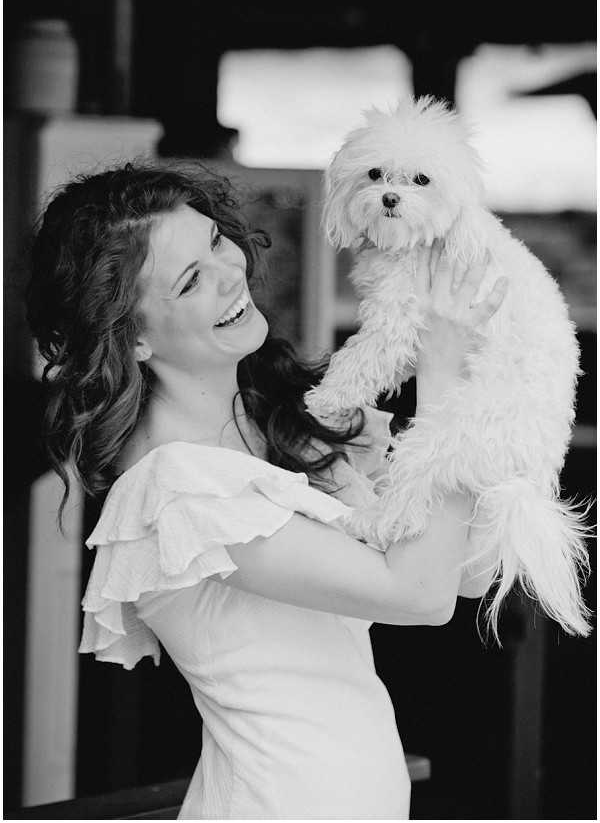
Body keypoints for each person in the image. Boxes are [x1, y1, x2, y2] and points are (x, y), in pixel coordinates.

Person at [26, 162, 507, 820]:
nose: (231, 276)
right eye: (192, 279)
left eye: (217, 243)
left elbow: (466, 576)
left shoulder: (283, 422)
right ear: (133, 335)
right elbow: (420, 596)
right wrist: (444, 371)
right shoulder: (178, 491)